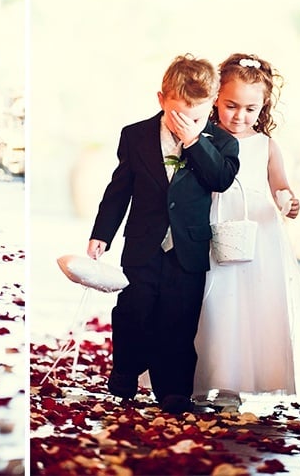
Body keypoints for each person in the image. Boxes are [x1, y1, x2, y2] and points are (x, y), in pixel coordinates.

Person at [87, 54, 240, 414]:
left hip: (187, 250)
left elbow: (220, 179)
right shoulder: (135, 135)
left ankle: (174, 390)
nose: (186, 124)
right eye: (178, 115)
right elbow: (118, 189)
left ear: (212, 106)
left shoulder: (220, 143)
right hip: (142, 245)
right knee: (133, 311)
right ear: (161, 100)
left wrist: (194, 142)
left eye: (197, 117)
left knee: (179, 320)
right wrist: (102, 234)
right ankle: (125, 371)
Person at [193, 53, 300, 408]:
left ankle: (231, 385)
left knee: (241, 309)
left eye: (250, 109)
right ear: (214, 99)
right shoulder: (202, 138)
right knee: (206, 305)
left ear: (263, 107)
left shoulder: (267, 146)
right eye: (231, 105)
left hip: (255, 233)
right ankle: (192, 380)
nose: (239, 116)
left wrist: (290, 202)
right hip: (211, 225)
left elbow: (280, 187)